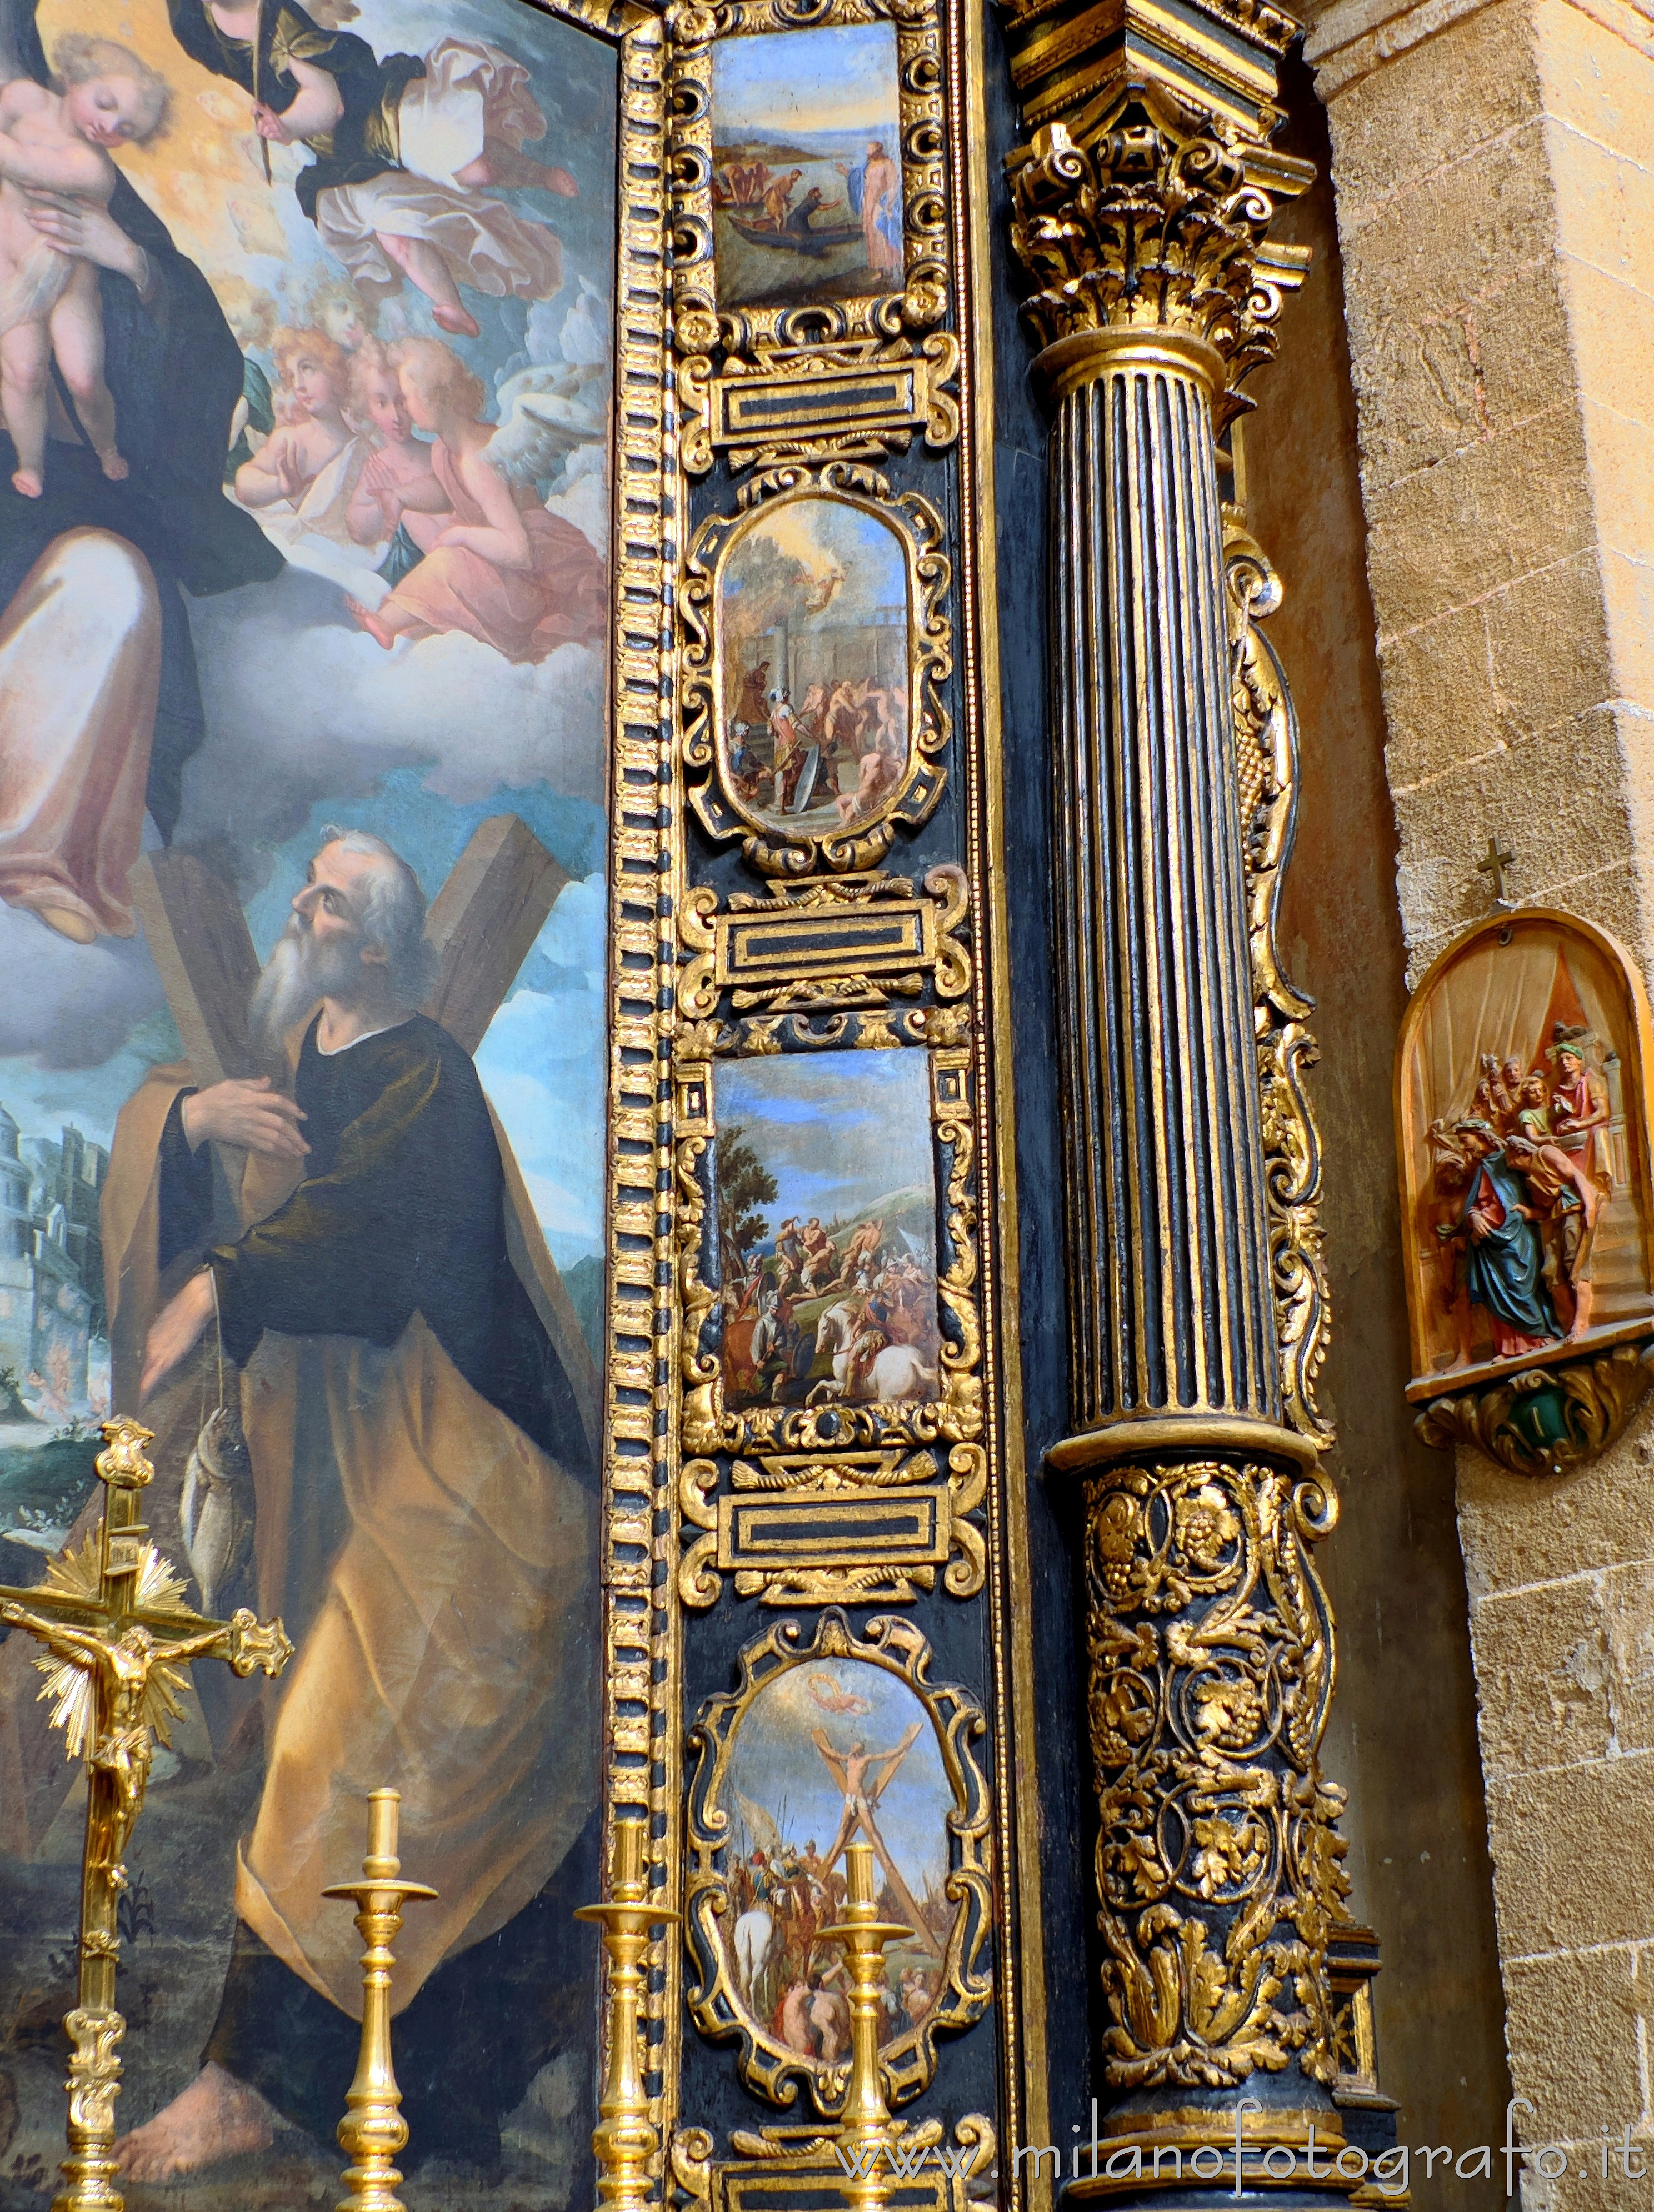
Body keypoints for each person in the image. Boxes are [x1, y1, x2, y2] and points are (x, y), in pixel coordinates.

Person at [104, 828, 598, 2178]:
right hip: (391, 1484)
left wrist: (221, 1284)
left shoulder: (428, 1073)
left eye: (324, 897)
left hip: (487, 1488)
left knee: (338, 1741)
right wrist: (193, 1120)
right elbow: (189, 1147)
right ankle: (392, 2095)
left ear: (375, 945)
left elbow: (383, 1235)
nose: (298, 907)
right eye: (304, 884)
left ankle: (242, 2082)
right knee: (351, 1752)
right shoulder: (283, 1072)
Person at [0, 14, 282, 945]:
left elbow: (198, 356)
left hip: (66, 498)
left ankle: (38, 855)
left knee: (108, 583)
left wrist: (129, 262)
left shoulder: (68, 169)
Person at [166, 2, 574, 337]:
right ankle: (451, 305)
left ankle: (539, 174)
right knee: (395, 232)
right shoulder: (192, 20)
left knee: (476, 170)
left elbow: (329, 105)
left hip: (373, 113)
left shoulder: (279, 20)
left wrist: (286, 126)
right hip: (339, 158)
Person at [344, 336, 605, 663]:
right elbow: (444, 492)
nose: (405, 410)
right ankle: (397, 622)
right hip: (504, 567)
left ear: (433, 397)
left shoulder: (478, 460)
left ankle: (385, 624)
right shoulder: (444, 449)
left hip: (540, 581)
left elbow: (519, 550)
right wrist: (400, 495)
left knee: (450, 562)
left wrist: (462, 534)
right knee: (450, 571)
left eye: (407, 399)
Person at [0, 36, 169, 498]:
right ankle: (30, 463)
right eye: (106, 103)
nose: (109, 125)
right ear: (75, 76)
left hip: (68, 277)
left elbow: (24, 166)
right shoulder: (21, 97)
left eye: (126, 129)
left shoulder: (93, 168)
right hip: (14, 268)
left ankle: (106, 446)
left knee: (83, 377)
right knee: (23, 370)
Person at [233, 323, 365, 544]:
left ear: (334, 371)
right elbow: (244, 484)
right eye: (292, 376)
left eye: (307, 369)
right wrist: (279, 487)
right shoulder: (289, 439)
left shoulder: (363, 451)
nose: (299, 385)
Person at [1443, 1118, 1560, 1358]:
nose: (1466, 1149)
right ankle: (1509, 1347)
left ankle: (1538, 1336)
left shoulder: (1508, 1160)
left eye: (1466, 1142)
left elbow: (1528, 1194)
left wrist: (1523, 1215)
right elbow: (1473, 1205)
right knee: (1498, 1292)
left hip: (1518, 1237)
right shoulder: (1484, 1167)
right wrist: (1474, 1216)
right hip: (1490, 1240)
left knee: (1523, 1286)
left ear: (1480, 1136)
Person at [344, 333, 451, 582]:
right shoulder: (376, 467)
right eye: (382, 403)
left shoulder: (438, 453)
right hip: (406, 576)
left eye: (402, 402)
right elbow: (359, 531)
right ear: (368, 409)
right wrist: (386, 503)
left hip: (447, 566)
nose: (396, 415)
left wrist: (401, 498)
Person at [1506, 1128, 1601, 1341]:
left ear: (1519, 1151)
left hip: (1573, 1211)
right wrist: (1530, 1212)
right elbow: (1546, 1209)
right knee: (1550, 1273)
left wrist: (1590, 1206)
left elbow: (1575, 1175)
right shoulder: (1530, 1179)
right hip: (1555, 1219)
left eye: (1510, 1158)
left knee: (1574, 1265)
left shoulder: (1545, 1154)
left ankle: (1582, 1321)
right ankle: (1568, 1324)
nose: (1509, 1164)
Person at [842, 139, 901, 277]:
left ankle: (891, 266)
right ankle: (879, 269)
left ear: (879, 151)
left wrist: (888, 204)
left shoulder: (888, 163)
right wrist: (846, 172)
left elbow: (893, 185)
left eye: (873, 153)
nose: (870, 156)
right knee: (872, 236)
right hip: (867, 204)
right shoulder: (868, 165)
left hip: (880, 204)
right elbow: (857, 178)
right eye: (869, 154)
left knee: (882, 233)